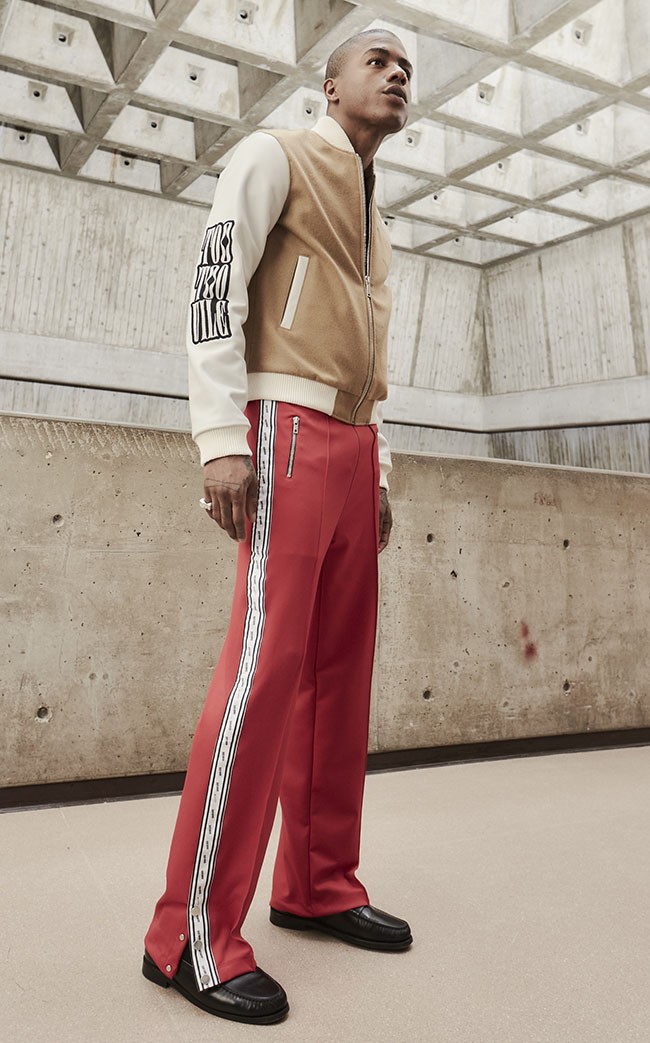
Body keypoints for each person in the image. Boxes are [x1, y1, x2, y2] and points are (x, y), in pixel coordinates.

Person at [141, 28, 414, 1025]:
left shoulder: (380, 219)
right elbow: (215, 285)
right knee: (262, 673)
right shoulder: (274, 154)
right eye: (377, 59)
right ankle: (187, 936)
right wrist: (221, 436)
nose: (396, 74)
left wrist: (377, 466)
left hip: (352, 444)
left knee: (340, 677)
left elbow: (372, 356)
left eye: (406, 68)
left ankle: (318, 882)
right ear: (328, 83)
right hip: (282, 431)